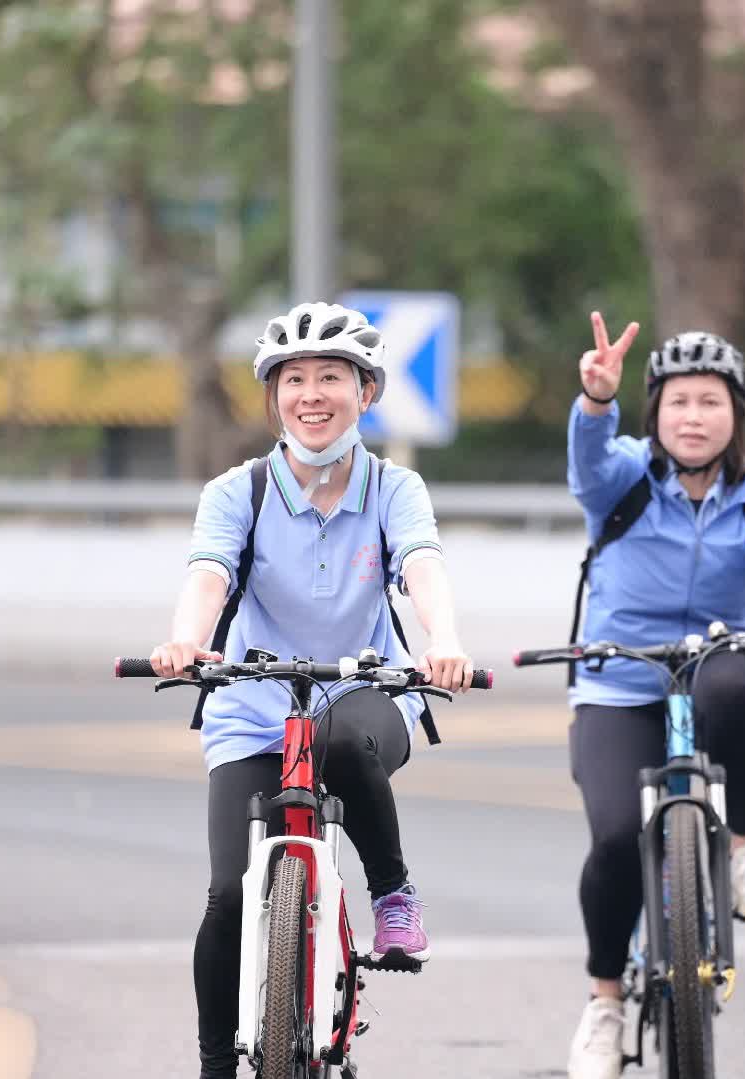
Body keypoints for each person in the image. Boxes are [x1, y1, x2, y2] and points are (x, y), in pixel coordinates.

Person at [146, 301, 475, 1079]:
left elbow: (424, 565)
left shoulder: (395, 487)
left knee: (340, 740)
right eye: (294, 378)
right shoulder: (238, 491)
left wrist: (445, 643)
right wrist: (188, 639)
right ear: (274, 396)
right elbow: (209, 574)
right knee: (228, 893)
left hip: (370, 695)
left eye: (332, 376)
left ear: (366, 391)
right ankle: (215, 1065)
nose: (312, 394)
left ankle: (392, 891)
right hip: (252, 708)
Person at [562, 313, 745, 1079]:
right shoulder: (621, 475)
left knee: (736, 680)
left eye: (710, 401)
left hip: (715, 661)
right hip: (619, 680)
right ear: (654, 412)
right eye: (678, 401)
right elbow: (585, 461)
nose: (693, 416)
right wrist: (594, 403)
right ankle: (605, 1001)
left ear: (736, 414)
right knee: (617, 838)